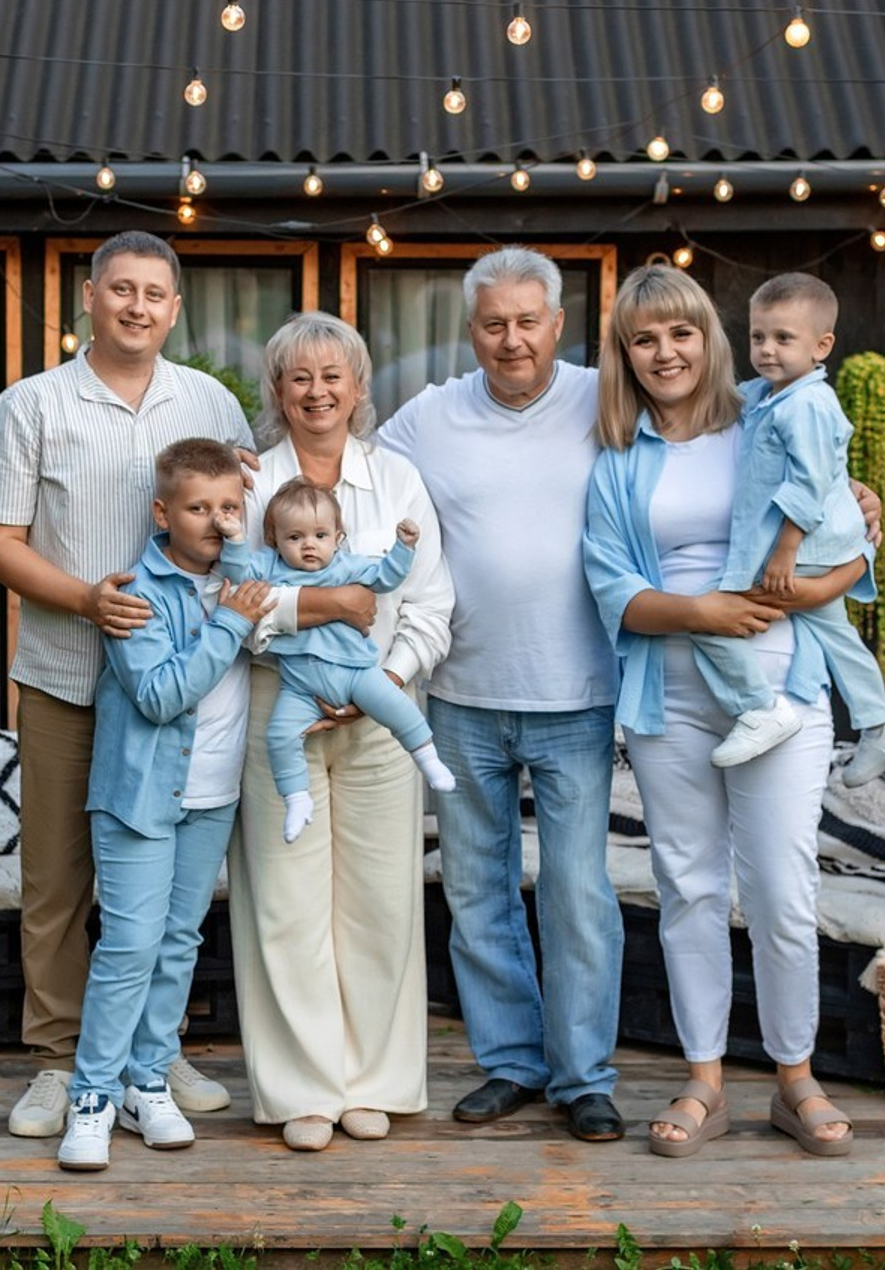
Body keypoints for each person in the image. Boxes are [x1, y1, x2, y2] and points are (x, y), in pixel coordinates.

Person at [584, 262, 868, 1158]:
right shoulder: (619, 460)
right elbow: (612, 589)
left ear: (709, 339)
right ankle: (704, 1078)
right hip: (668, 698)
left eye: (681, 332)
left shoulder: (768, 416)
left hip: (780, 688)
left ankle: (795, 1076)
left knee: (783, 887)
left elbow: (846, 530)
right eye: (644, 339)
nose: (665, 352)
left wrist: (821, 577)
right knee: (690, 888)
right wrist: (701, 612)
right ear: (625, 354)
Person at [0, 231, 254, 1137]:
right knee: (58, 881)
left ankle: (150, 1057)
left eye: (155, 293)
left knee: (170, 895)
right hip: (67, 676)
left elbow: (237, 522)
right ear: (89, 297)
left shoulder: (210, 402)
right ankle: (58, 1062)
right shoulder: (29, 406)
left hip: (179, 694)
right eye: (122, 289)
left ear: (175, 309)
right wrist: (88, 601)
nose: (138, 306)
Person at [377, 247, 627, 1143]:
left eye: (528, 321)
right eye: (494, 324)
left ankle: (583, 1077)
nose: (511, 339)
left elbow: (712, 430)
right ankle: (512, 1062)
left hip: (578, 695)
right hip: (461, 693)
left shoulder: (607, 396)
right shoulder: (430, 416)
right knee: (476, 888)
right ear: (472, 330)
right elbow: (345, 470)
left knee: (576, 894)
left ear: (558, 324)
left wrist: (835, 484)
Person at [228, 311, 454, 1152]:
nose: (317, 392)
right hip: (277, 703)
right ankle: (302, 1090)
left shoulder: (396, 479)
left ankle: (373, 1083)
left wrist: (385, 682)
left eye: (333, 376)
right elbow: (231, 604)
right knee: (284, 900)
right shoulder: (251, 483)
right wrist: (321, 609)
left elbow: (430, 603)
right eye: (300, 378)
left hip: (381, 707)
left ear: (358, 388)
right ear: (278, 391)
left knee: (381, 900)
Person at [57, 440, 274, 1171]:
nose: (217, 521)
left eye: (229, 507)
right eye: (198, 507)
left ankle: (146, 1082)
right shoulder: (134, 592)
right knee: (130, 946)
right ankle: (91, 1095)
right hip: (141, 796)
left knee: (180, 941)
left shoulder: (244, 577)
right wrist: (230, 624)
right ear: (162, 513)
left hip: (214, 794)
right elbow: (157, 696)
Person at [691, 272, 885, 784]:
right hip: (822, 546)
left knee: (706, 614)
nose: (767, 349)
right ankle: (881, 726)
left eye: (783, 338)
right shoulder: (771, 394)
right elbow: (730, 399)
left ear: (822, 346)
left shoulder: (808, 404)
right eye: (758, 337)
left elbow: (810, 482)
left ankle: (759, 707)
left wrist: (784, 551)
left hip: (803, 548)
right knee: (836, 633)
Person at [217, 478, 455, 842]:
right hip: (299, 687)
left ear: (338, 537)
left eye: (320, 535)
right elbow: (238, 579)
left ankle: (428, 759)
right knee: (279, 736)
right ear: (274, 540)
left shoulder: (345, 566)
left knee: (400, 708)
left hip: (356, 673)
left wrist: (404, 547)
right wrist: (235, 540)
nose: (308, 545)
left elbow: (386, 577)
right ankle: (297, 798)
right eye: (294, 537)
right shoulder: (270, 566)